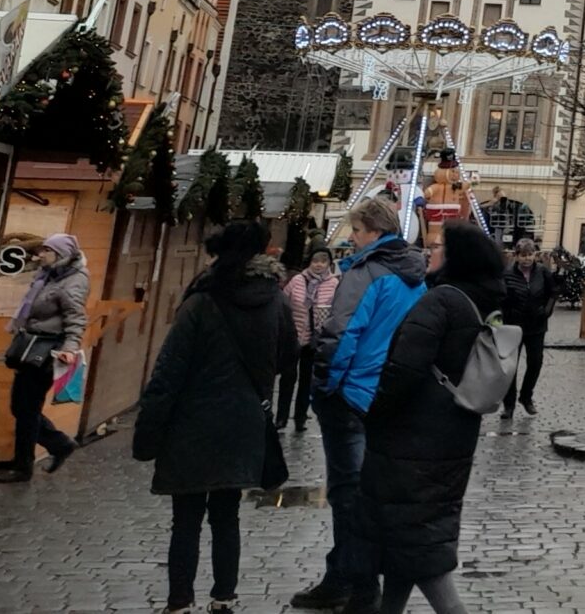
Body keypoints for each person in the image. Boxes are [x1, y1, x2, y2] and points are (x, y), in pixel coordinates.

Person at [135, 219, 296, 614]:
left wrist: (148, 432)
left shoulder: (201, 300)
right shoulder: (275, 300)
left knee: (186, 521)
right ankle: (223, 597)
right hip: (242, 423)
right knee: (227, 516)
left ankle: (179, 602)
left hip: (192, 423)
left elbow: (168, 371)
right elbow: (289, 355)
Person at [294, 196, 428, 612]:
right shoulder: (415, 278)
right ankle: (347, 576)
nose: (351, 238)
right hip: (388, 396)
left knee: (348, 493)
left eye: (355, 230)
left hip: (352, 394)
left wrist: (323, 385)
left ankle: (357, 583)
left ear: (372, 231)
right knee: (365, 493)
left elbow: (341, 334)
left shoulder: (366, 274)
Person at [366, 223, 506, 614]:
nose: (430, 251)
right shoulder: (482, 300)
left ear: (457, 256)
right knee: (410, 537)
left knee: (418, 546)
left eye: (439, 246)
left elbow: (404, 371)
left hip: (413, 439)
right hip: (454, 433)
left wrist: (374, 414)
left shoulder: (441, 301)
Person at [0, 231, 88, 481]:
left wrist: (69, 350)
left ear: (60, 254)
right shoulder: (49, 275)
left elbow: (76, 319)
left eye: (46, 251)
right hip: (31, 345)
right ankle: (53, 447)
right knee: (23, 407)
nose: (40, 255)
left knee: (25, 408)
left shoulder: (73, 282)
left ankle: (28, 463)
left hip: (46, 352)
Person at [282, 247, 340, 430]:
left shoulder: (334, 284)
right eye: (315, 261)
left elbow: (337, 310)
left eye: (323, 261)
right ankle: (281, 417)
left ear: (329, 264)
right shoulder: (297, 281)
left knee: (307, 380)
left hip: (315, 339)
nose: (318, 265)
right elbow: (284, 302)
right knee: (288, 377)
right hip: (294, 336)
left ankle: (300, 417)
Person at [499, 235, 556, 419]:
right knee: (510, 368)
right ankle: (509, 405)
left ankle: (526, 396)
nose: (527, 258)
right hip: (513, 326)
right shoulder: (507, 274)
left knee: (535, 363)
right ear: (516, 256)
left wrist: (547, 311)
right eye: (523, 255)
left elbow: (553, 293)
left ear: (535, 255)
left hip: (536, 326)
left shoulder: (542, 272)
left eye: (530, 254)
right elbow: (500, 296)